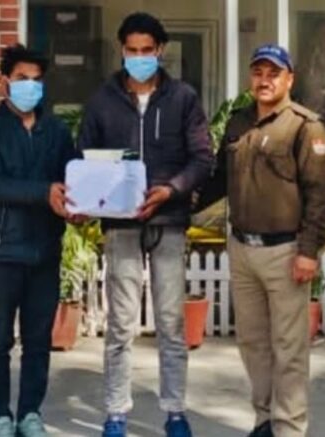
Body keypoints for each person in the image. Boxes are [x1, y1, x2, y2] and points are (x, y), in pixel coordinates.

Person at [77, 12, 213, 437]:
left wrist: (171, 189)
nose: (139, 58)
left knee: (171, 323)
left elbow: (202, 159)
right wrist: (87, 199)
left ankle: (175, 411)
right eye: (132, 51)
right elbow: (85, 157)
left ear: (160, 51)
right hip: (120, 224)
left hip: (168, 221)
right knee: (120, 324)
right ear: (122, 50)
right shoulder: (102, 101)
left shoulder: (183, 99)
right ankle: (116, 412)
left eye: (146, 51)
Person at [197, 44, 325, 437]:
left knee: (289, 348)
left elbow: (319, 196)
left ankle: (289, 427)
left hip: (285, 252)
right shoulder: (238, 123)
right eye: (258, 72)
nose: (265, 80)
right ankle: (265, 421)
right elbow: (218, 180)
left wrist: (308, 252)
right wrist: (179, 198)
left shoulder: (306, 127)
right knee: (253, 344)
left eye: (274, 73)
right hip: (242, 250)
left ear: (289, 79)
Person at [0, 44, 80, 437]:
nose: (29, 86)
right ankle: (0, 415)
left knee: (38, 341)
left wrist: (79, 203)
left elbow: (71, 178)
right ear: (5, 82)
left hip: (45, 250)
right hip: (1, 250)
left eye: (36, 80)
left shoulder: (57, 131)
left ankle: (30, 413)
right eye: (21, 79)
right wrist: (44, 192)